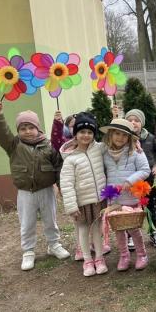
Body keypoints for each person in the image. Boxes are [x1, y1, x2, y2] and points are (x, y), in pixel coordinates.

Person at [0, 101, 70, 270]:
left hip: (47, 191)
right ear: (18, 131)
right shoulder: (14, 145)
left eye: (31, 127)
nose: (27, 131)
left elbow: (58, 166)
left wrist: (61, 186)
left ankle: (54, 245)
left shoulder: (48, 145)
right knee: (27, 223)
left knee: (50, 220)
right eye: (23, 128)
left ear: (38, 128)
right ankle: (28, 251)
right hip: (26, 193)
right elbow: (2, 134)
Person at [59, 113, 108, 276]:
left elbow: (115, 143)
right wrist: (71, 206)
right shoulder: (70, 159)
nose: (86, 135)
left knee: (97, 230)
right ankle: (87, 260)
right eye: (82, 132)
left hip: (98, 200)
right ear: (75, 134)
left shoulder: (99, 149)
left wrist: (135, 143)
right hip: (81, 202)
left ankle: (99, 258)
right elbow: (66, 184)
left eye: (89, 132)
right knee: (83, 230)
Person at [101, 118, 150, 271]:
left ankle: (142, 254)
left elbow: (145, 170)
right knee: (119, 229)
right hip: (114, 199)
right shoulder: (105, 153)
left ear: (129, 137)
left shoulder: (135, 152)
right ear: (110, 134)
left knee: (133, 228)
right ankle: (124, 255)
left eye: (124, 135)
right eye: (117, 133)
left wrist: (130, 180)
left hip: (130, 198)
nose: (120, 138)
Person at [123, 108, 156, 249]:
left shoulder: (150, 138)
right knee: (130, 208)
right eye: (130, 120)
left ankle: (153, 231)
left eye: (136, 120)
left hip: (147, 181)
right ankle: (131, 235)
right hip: (129, 181)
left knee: (149, 206)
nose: (133, 122)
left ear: (142, 123)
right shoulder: (123, 138)